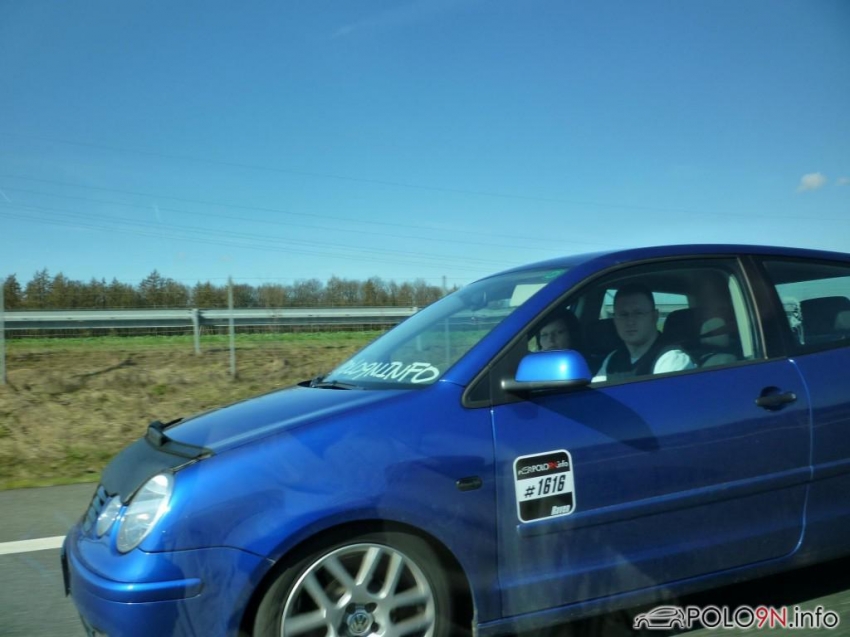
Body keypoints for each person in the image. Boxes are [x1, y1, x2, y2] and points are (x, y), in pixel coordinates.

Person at [593, 282, 695, 382]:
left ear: (654, 317)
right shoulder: (612, 360)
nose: (630, 321)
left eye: (638, 313)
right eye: (623, 314)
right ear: (615, 320)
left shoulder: (672, 359)